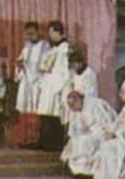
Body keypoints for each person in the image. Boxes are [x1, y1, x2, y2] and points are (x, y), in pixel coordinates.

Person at [60, 90, 117, 178]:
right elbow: (74, 129)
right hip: (87, 135)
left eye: (72, 105)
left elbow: (106, 122)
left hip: (100, 133)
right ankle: (79, 171)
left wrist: (91, 130)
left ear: (78, 100)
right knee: (75, 142)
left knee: (83, 142)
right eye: (69, 106)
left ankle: (88, 171)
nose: (71, 108)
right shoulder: (76, 111)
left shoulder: (95, 105)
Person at [37, 20, 71, 151]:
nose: (50, 35)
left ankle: (54, 143)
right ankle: (46, 141)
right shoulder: (54, 48)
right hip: (49, 83)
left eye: (51, 32)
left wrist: (60, 85)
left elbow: (64, 70)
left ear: (58, 32)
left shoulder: (64, 49)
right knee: (46, 112)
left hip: (57, 83)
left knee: (55, 113)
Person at [15, 21, 49, 114]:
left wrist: (27, 67)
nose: (29, 36)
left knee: (35, 107)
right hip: (26, 80)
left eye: (32, 33)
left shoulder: (44, 46)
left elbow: (44, 65)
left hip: (37, 82)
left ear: (38, 32)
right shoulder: (26, 45)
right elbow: (21, 58)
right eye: (27, 34)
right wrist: (19, 64)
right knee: (24, 107)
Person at [63, 49, 98, 126]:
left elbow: (90, 93)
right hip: (75, 104)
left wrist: (78, 96)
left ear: (80, 63)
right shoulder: (75, 74)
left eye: (74, 65)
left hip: (87, 105)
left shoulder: (89, 74)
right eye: (72, 66)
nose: (74, 68)